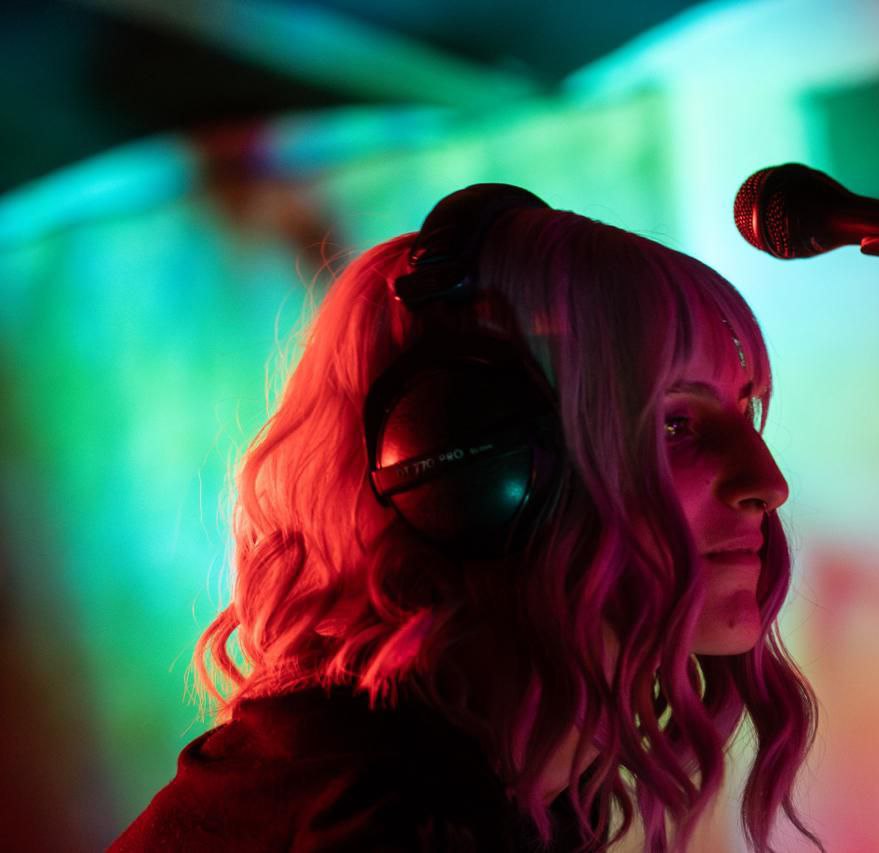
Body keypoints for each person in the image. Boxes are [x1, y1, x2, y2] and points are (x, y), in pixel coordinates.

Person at [111, 184, 826, 853]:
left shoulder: (468, 793)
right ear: (477, 466)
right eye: (673, 425)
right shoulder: (379, 825)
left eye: (744, 413)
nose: (769, 484)